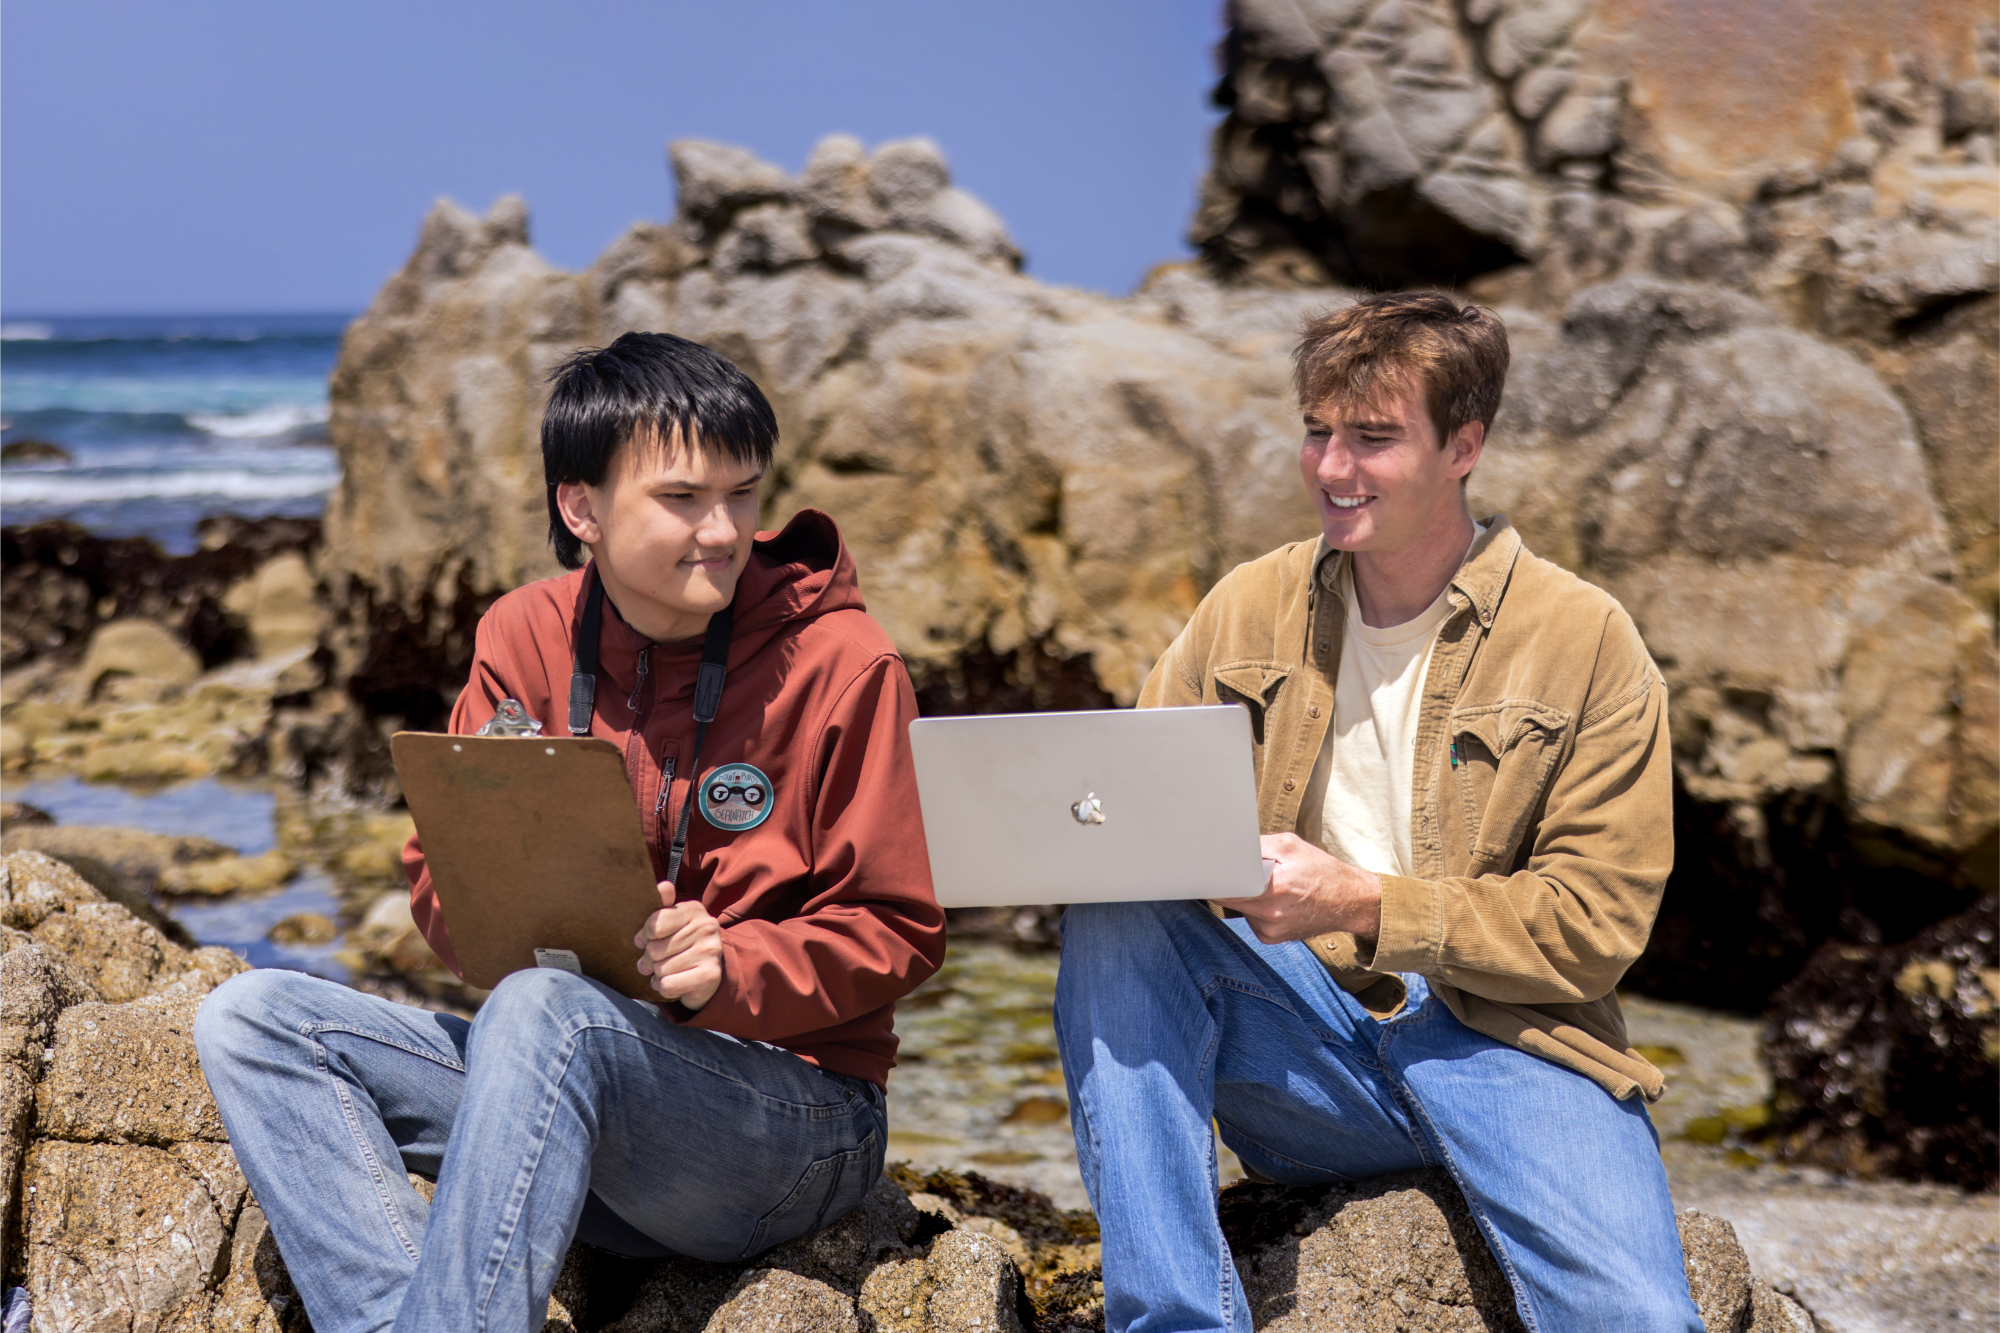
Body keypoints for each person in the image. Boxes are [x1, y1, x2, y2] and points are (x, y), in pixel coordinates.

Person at [196, 332, 945, 1333]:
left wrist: (734, 966)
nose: (721, 530)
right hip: (565, 1100)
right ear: (580, 507)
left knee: (550, 1010)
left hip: (795, 1124)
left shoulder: (844, 660)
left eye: (742, 494)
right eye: (682, 499)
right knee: (252, 1020)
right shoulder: (520, 635)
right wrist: (493, 901)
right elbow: (441, 885)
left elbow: (897, 926)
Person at [1052, 292, 1701, 1332]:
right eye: (1317, 432)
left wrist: (1358, 899)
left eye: (1371, 437)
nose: (1331, 468)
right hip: (1305, 1062)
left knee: (1640, 1320)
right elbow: (1133, 814)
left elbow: (1594, 929)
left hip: (1518, 1053)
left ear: (1463, 445)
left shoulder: (1583, 638)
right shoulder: (1245, 607)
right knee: (1118, 909)